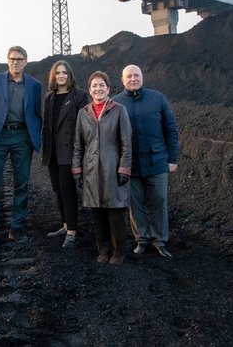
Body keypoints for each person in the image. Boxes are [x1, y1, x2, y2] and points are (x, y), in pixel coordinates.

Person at [112, 64, 179, 258]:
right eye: (129, 76)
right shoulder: (116, 103)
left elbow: (171, 129)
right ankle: (142, 239)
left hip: (157, 161)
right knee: (135, 204)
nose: (133, 79)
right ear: (122, 80)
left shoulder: (158, 98)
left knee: (159, 202)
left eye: (136, 75)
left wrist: (173, 158)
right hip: (130, 165)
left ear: (142, 77)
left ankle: (160, 240)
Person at [0, 46, 42, 249]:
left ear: (26, 62)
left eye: (20, 59)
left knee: (21, 184)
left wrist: (34, 134)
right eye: (12, 59)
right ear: (7, 60)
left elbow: (36, 113)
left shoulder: (34, 85)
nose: (16, 62)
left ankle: (16, 228)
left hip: (22, 137)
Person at [72, 71, 132, 265]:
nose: (98, 89)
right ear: (90, 90)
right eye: (94, 86)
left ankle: (119, 252)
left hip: (113, 167)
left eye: (102, 85)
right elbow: (78, 145)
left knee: (115, 212)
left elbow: (127, 143)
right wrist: (77, 170)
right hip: (91, 170)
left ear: (108, 88)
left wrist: (124, 168)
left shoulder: (119, 110)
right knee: (97, 212)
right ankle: (103, 249)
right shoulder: (83, 113)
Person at [41, 60, 89, 248]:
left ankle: (72, 232)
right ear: (53, 76)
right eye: (58, 73)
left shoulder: (79, 95)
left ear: (69, 76)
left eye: (64, 73)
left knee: (68, 191)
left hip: (69, 151)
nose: (61, 76)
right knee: (58, 190)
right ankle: (65, 225)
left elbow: (84, 125)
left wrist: (81, 152)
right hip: (52, 151)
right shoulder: (49, 97)